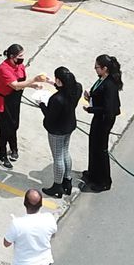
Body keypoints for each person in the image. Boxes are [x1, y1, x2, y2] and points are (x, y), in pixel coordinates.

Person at [27, 67, 82, 198]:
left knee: (58, 157)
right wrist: (52, 83)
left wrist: (41, 104)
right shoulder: (77, 88)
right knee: (65, 152)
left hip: (57, 130)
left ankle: (57, 186)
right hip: (69, 125)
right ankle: (67, 181)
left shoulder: (56, 99)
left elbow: (49, 116)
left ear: (59, 80)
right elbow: (66, 87)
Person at [82, 53, 123, 192]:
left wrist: (91, 109)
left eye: (97, 67)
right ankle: (93, 173)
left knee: (101, 149)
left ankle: (104, 181)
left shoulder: (110, 85)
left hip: (105, 119)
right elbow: (98, 94)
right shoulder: (101, 79)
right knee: (93, 144)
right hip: (99, 117)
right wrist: (90, 96)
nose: (95, 69)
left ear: (105, 68)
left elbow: (108, 108)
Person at [0, 42, 28, 168]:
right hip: (3, 102)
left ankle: (14, 148)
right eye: (20, 56)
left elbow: (21, 81)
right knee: (5, 129)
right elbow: (16, 85)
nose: (22, 58)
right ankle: (1, 155)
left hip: (14, 101)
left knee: (14, 125)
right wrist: (33, 82)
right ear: (12, 56)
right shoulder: (3, 69)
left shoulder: (20, 66)